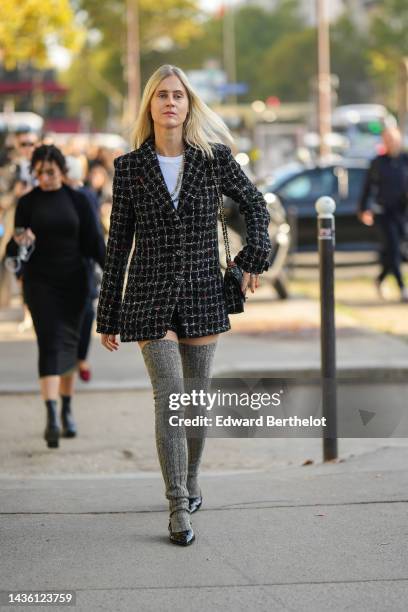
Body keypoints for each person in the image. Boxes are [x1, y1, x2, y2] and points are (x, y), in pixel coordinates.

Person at [96, 64, 271, 546]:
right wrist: (108, 314)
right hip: (149, 298)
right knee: (171, 399)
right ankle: (177, 504)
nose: (170, 102)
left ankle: (192, 480)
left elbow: (256, 206)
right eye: (161, 96)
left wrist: (254, 254)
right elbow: (118, 245)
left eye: (178, 95)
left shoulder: (213, 159)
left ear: (189, 105)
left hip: (202, 293)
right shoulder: (130, 167)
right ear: (149, 105)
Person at [6, 145, 105, 448]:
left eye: (51, 171)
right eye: (40, 172)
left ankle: (66, 409)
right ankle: (51, 416)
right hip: (40, 285)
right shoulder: (27, 203)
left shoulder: (79, 199)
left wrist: (114, 277)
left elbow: (94, 242)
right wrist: (20, 244)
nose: (45, 177)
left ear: (63, 171)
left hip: (75, 283)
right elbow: (14, 250)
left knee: (70, 347)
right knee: (49, 344)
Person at [358, 127, 408, 302]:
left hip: (401, 213)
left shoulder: (405, 160)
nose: (391, 142)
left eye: (393, 139)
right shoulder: (378, 162)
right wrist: (364, 209)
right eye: (387, 139)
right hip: (383, 212)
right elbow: (367, 188)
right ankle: (403, 288)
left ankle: (380, 280)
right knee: (393, 247)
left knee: (394, 252)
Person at [65, 156, 104, 382]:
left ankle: (80, 358)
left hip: (83, 261)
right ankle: (74, 358)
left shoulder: (86, 196)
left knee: (87, 312)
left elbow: (95, 233)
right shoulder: (54, 196)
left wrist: (106, 262)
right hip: (63, 264)